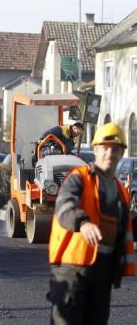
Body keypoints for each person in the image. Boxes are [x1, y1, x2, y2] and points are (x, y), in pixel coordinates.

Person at [48, 122, 135, 324]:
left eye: (115, 149)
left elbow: (126, 228)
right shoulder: (80, 178)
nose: (109, 153)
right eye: (104, 148)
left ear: (122, 153)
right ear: (95, 150)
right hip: (74, 268)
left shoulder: (121, 191)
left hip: (104, 270)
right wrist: (83, 223)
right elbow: (64, 206)